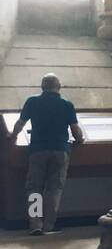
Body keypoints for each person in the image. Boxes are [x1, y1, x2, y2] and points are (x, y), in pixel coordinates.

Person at [12, 74, 85, 235]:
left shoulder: (32, 101)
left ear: (42, 86)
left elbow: (20, 123)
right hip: (60, 150)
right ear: (59, 87)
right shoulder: (67, 104)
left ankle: (35, 224)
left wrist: (13, 137)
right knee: (54, 189)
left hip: (37, 150)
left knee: (34, 188)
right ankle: (49, 225)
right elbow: (75, 130)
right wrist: (80, 140)